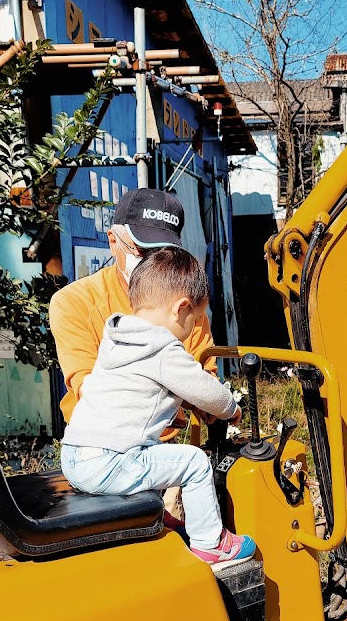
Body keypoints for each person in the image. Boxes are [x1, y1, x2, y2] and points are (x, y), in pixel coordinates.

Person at [60, 247, 255, 566]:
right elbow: (208, 391)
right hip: (109, 463)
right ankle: (210, 542)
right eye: (194, 320)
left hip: (76, 457)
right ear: (181, 310)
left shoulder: (117, 338)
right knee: (192, 461)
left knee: (147, 449)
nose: (192, 330)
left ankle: (156, 518)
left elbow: (138, 396)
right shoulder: (163, 349)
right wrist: (231, 409)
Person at [49, 187, 216, 427]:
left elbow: (204, 381)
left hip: (161, 444)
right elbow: (88, 390)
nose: (153, 262)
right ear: (113, 242)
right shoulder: (74, 302)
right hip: (99, 442)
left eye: (162, 252)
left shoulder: (184, 303)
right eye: (143, 251)